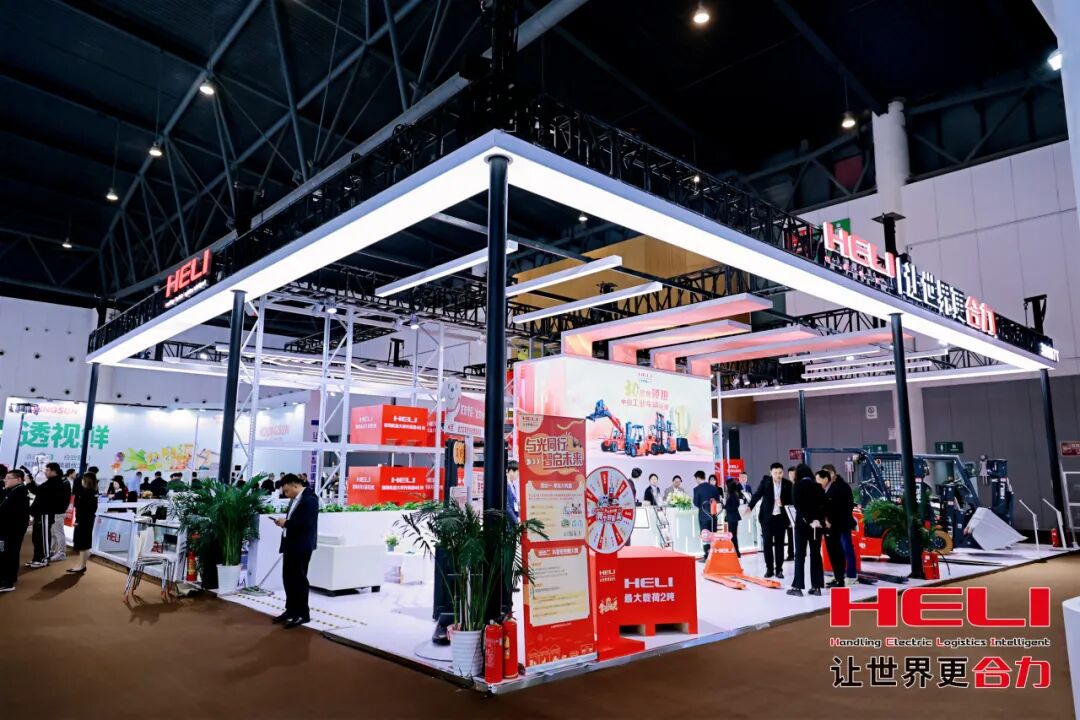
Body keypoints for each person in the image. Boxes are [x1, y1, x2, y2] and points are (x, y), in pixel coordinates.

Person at [273, 474, 319, 628]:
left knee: (299, 580)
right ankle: (291, 610)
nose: (286, 494)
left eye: (287, 491)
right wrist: (285, 523)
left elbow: (306, 523)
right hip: (290, 544)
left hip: (301, 546)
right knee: (288, 579)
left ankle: (303, 614)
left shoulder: (310, 499)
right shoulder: (295, 500)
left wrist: (286, 522)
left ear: (295, 485)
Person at [748, 462, 792, 579]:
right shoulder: (766, 482)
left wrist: (783, 503)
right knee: (767, 544)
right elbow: (757, 495)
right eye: (775, 473)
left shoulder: (788, 484)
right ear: (771, 472)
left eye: (780, 473)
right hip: (767, 519)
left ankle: (779, 570)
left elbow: (792, 501)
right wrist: (750, 507)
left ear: (783, 472)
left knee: (779, 545)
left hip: (780, 519)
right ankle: (769, 569)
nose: (778, 475)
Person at [788, 466, 826, 597]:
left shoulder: (796, 486)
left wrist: (809, 520)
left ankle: (797, 587)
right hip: (816, 526)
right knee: (815, 554)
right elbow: (823, 506)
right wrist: (817, 520)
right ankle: (817, 587)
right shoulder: (818, 487)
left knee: (800, 555)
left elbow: (799, 507)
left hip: (802, 526)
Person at [822, 463, 858, 581]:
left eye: (829, 473)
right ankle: (839, 575)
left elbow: (847, 506)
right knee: (837, 551)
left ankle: (851, 575)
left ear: (834, 473)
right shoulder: (827, 486)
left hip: (842, 523)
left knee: (846, 548)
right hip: (832, 525)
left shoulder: (842, 486)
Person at [27, 462, 65, 568]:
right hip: (40, 513)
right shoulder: (50, 482)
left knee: (43, 538)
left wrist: (29, 483)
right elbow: (39, 491)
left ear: (54, 471)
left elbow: (37, 491)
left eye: (47, 470)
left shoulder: (55, 483)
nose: (45, 472)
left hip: (46, 514)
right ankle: (36, 558)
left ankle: (43, 559)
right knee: (37, 538)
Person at [0, 468, 31, 592]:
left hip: (12, 529)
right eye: (5, 478)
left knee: (9, 553)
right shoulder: (14, 490)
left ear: (18, 479)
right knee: (10, 553)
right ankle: (9, 578)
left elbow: (9, 511)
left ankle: (7, 582)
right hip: (11, 528)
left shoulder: (19, 492)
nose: (5, 480)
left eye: (8, 478)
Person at [67, 473, 99, 574]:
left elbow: (84, 510)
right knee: (85, 544)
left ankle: (81, 565)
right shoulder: (92, 492)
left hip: (83, 521)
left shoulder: (87, 493)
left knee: (83, 544)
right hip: (87, 521)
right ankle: (81, 565)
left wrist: (78, 522)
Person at [692, 470, 721, 561]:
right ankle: (714, 555)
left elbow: (696, 503)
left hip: (703, 515)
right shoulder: (713, 488)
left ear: (697, 478)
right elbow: (718, 500)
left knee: (705, 536)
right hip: (713, 515)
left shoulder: (696, 489)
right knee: (713, 534)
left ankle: (707, 556)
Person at [50, 468, 75, 561]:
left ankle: (61, 553)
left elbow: (61, 498)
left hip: (58, 512)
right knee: (53, 533)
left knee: (58, 533)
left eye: (48, 471)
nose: (46, 473)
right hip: (54, 511)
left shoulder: (64, 483)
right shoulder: (62, 482)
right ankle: (52, 551)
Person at [723, 478, 745, 558]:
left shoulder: (733, 494)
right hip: (732, 517)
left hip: (733, 517)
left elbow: (735, 506)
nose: (725, 486)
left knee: (733, 535)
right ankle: (735, 552)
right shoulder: (731, 494)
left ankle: (736, 552)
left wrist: (725, 507)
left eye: (726, 485)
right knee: (732, 535)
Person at [785, 467, 797, 561]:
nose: (792, 476)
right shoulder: (786, 486)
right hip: (788, 514)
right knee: (790, 535)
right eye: (790, 474)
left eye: (793, 474)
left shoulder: (799, 486)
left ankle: (798, 553)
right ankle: (791, 554)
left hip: (797, 513)